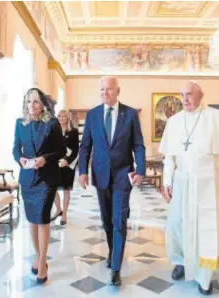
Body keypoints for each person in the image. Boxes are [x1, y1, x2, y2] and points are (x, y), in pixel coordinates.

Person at [160, 80, 219, 295]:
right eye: (182, 94)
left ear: (201, 95)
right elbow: (170, 157)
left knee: (208, 229)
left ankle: (205, 276)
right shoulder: (173, 122)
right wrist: (167, 181)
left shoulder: (217, 117)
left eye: (190, 94)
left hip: (212, 181)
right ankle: (181, 261)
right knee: (177, 224)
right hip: (183, 182)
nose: (185, 99)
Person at [78, 76, 146, 286]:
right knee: (106, 219)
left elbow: (138, 145)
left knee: (119, 219)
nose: (105, 93)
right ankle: (113, 251)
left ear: (118, 91)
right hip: (100, 175)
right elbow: (85, 146)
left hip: (123, 175)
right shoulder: (93, 115)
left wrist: (140, 170)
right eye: (101, 90)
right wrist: (82, 171)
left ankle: (115, 268)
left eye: (108, 89)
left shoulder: (130, 114)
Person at [13, 88, 66, 284]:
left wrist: (45, 158)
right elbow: (15, 149)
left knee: (43, 219)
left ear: (42, 104)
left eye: (36, 102)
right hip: (28, 179)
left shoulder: (51, 124)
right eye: (29, 102)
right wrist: (20, 160)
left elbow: (61, 150)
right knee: (32, 221)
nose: (32, 105)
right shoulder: (20, 124)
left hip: (46, 179)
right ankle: (37, 254)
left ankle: (42, 261)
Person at [51, 109, 79, 225]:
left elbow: (76, 150)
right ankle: (58, 209)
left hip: (67, 165)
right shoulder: (53, 131)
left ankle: (65, 214)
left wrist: (67, 161)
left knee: (66, 189)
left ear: (67, 118)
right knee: (52, 188)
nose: (61, 118)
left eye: (64, 116)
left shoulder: (73, 131)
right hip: (55, 163)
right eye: (59, 116)